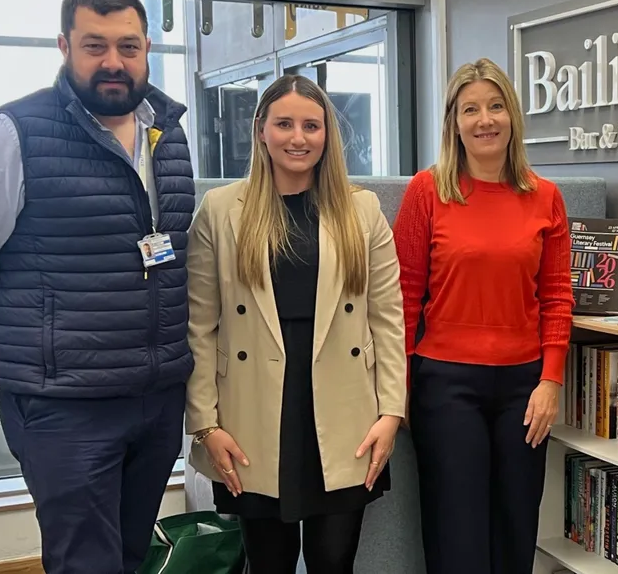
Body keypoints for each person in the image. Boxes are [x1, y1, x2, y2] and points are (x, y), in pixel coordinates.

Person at [0, 0, 194, 574]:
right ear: (64, 46)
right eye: (94, 45)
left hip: (155, 397)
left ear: (148, 48)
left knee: (132, 555)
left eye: (128, 46)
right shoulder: (14, 134)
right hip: (65, 403)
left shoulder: (169, 133)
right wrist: (30, 342)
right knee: (85, 562)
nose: (113, 62)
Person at [185, 74, 406, 574]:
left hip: (346, 412)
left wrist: (390, 413)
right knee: (270, 562)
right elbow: (199, 326)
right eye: (284, 123)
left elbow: (387, 319)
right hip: (253, 414)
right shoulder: (221, 211)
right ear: (260, 129)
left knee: (333, 560)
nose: (298, 137)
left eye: (311, 125)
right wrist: (205, 425)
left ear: (327, 135)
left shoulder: (361, 209)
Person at [392, 57, 575, 574]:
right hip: (446, 386)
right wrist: (400, 385)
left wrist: (551, 380)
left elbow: (558, 296)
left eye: (495, 106)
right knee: (457, 536)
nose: (485, 119)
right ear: (454, 121)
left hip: (524, 386)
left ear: (512, 116)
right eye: (470, 109)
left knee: (516, 528)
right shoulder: (427, 192)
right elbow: (404, 296)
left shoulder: (546, 198)